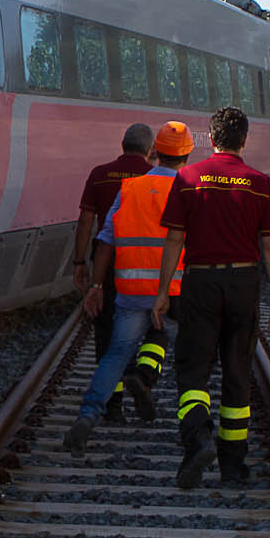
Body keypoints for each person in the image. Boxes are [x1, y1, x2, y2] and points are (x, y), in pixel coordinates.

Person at [149, 107, 270, 489]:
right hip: (244, 282)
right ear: (245, 140)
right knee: (237, 372)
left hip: (200, 284)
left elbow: (174, 239)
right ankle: (232, 464)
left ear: (211, 139)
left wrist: (163, 293)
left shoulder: (188, 178)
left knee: (193, 369)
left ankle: (197, 438)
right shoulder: (260, 183)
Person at [68, 121, 196, 451]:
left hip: (130, 288)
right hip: (176, 289)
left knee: (115, 353)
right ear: (187, 154)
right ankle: (188, 423)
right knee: (184, 350)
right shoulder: (190, 191)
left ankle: (87, 415)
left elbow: (106, 240)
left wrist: (97, 284)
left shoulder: (130, 189)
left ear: (157, 152)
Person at [74, 124, 156, 420]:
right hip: (145, 264)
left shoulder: (100, 173)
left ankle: (113, 404)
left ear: (122, 145)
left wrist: (80, 262)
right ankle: (141, 375)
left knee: (107, 330)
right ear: (149, 150)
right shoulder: (152, 177)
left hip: (107, 264)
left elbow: (86, 221)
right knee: (147, 327)